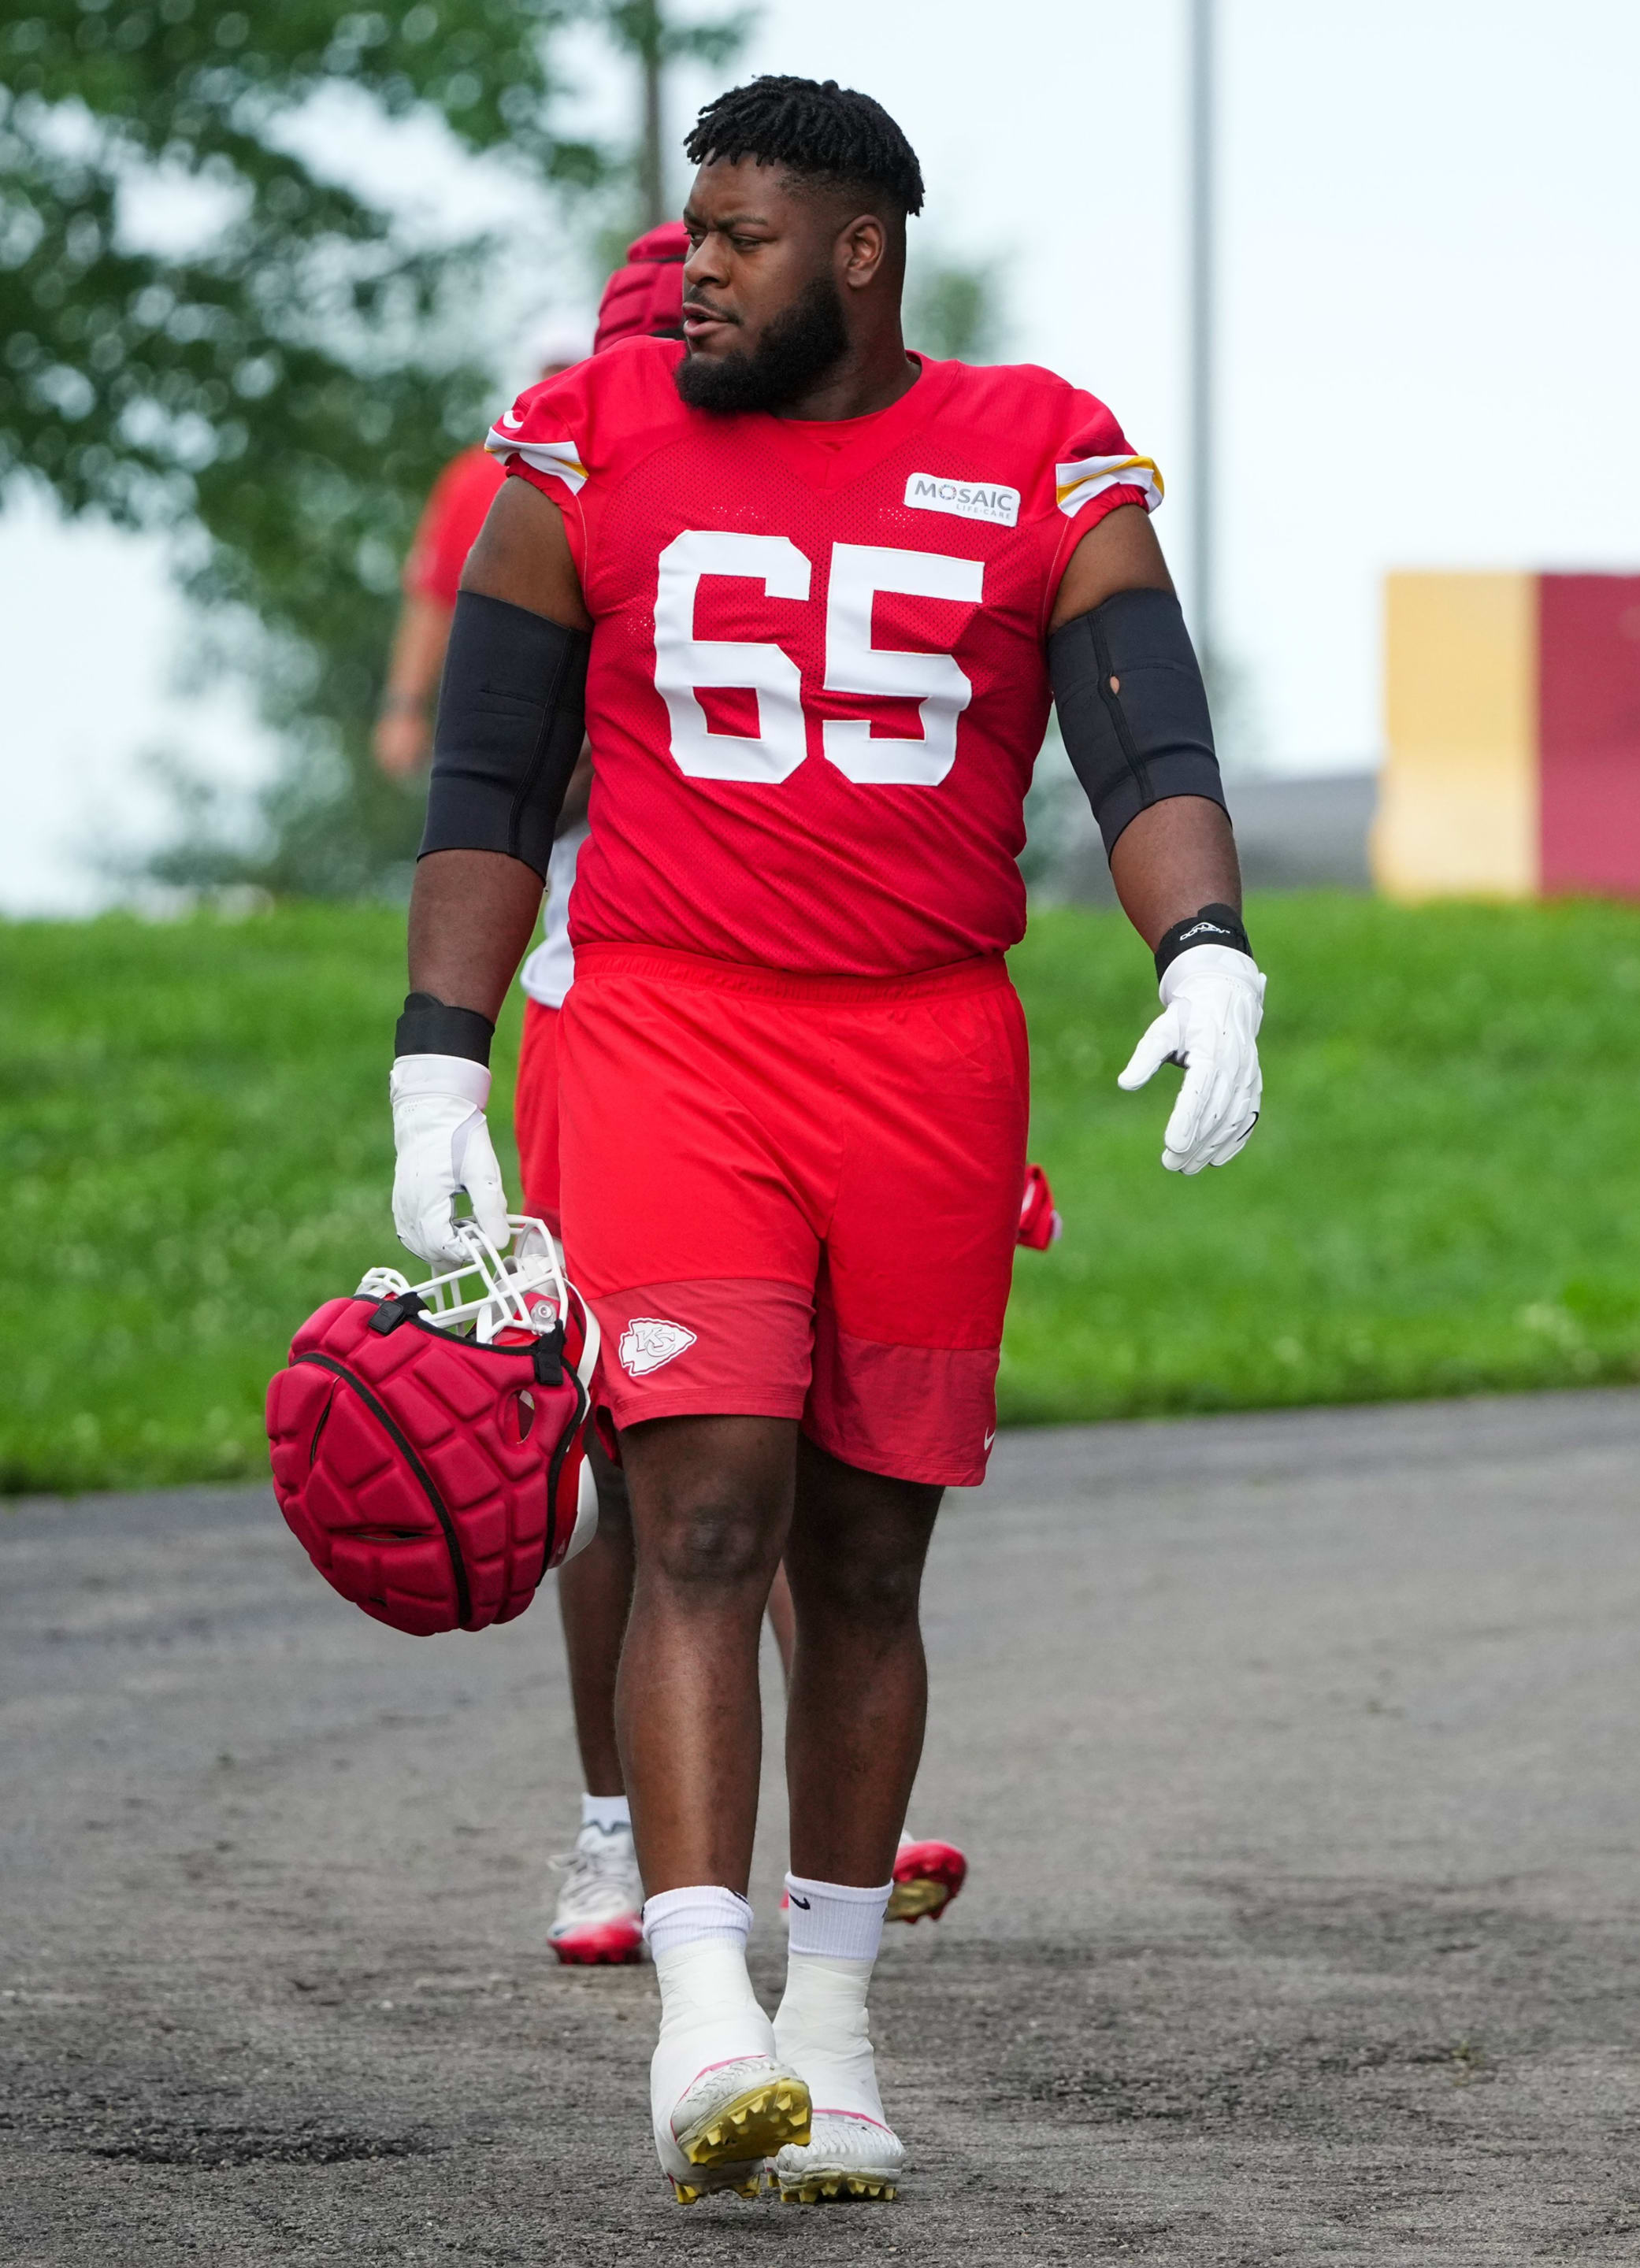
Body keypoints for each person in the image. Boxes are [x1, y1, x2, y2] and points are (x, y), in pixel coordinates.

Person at [388, 76, 1263, 2204]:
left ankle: (838, 2030)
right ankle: (706, 2020)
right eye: (690, 238)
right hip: (672, 1028)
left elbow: (1144, 731)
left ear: (858, 252)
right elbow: (492, 783)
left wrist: (1209, 948)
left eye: (742, 239)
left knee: (869, 1557)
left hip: (928, 1052)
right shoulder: (580, 439)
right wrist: (436, 1057)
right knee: (702, 1515)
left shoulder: (1039, 441)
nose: (697, 272)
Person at [377, 328, 588, 778]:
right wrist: (404, 706)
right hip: (500, 710)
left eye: (572, 369)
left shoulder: (628, 466)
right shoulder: (476, 478)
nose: (561, 384)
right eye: (551, 371)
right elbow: (434, 599)